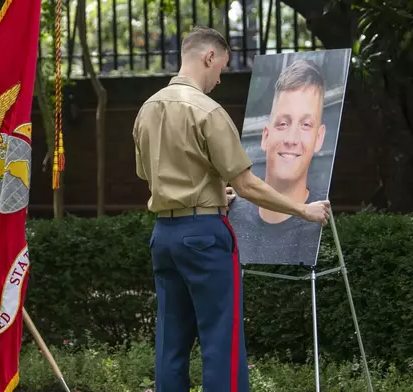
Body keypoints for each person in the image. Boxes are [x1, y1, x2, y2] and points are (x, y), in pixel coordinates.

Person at [132, 26, 330, 392]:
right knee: (222, 342)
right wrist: (303, 211)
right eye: (221, 68)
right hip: (204, 237)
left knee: (170, 344)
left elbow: (150, 174)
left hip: (164, 235)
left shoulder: (148, 108)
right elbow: (247, 184)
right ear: (209, 57)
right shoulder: (208, 111)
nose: (220, 79)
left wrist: (205, 191)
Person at [228, 59, 328, 266]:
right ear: (265, 136)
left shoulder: (321, 215)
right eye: (283, 124)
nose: (292, 139)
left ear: (319, 139)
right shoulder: (234, 210)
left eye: (306, 124)